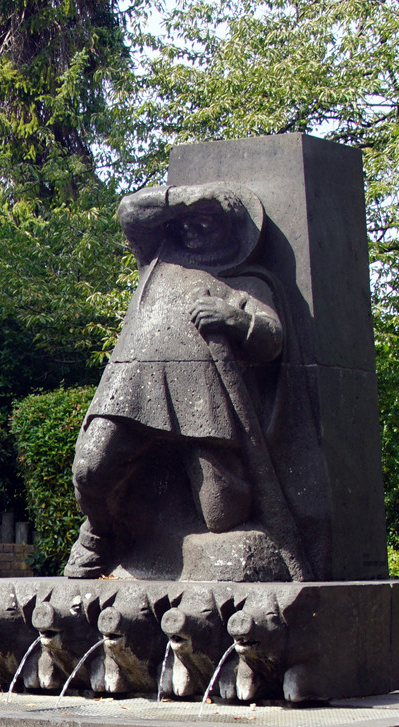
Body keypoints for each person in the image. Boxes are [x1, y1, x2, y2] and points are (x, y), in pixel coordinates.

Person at [64, 182, 311, 580]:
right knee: (90, 470)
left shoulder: (246, 281)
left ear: (230, 229)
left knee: (221, 512)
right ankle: (99, 535)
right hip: (133, 389)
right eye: (186, 222)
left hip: (205, 408)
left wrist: (236, 320)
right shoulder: (157, 257)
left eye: (206, 221)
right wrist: (182, 198)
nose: (192, 229)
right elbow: (129, 211)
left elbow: (272, 339)